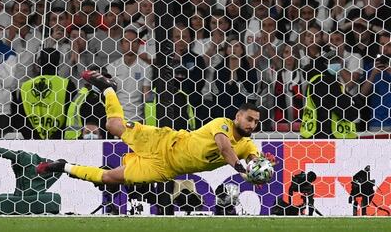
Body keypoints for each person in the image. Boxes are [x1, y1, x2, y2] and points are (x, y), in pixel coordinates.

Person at [38, 71, 272, 187]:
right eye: (249, 119)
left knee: (109, 177)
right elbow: (224, 148)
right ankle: (108, 88)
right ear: (238, 116)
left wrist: (260, 169)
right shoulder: (222, 124)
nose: (252, 125)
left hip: (164, 168)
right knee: (112, 125)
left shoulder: (247, 145)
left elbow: (254, 160)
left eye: (255, 122)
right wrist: (243, 170)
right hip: (164, 141)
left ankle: (62, 166)